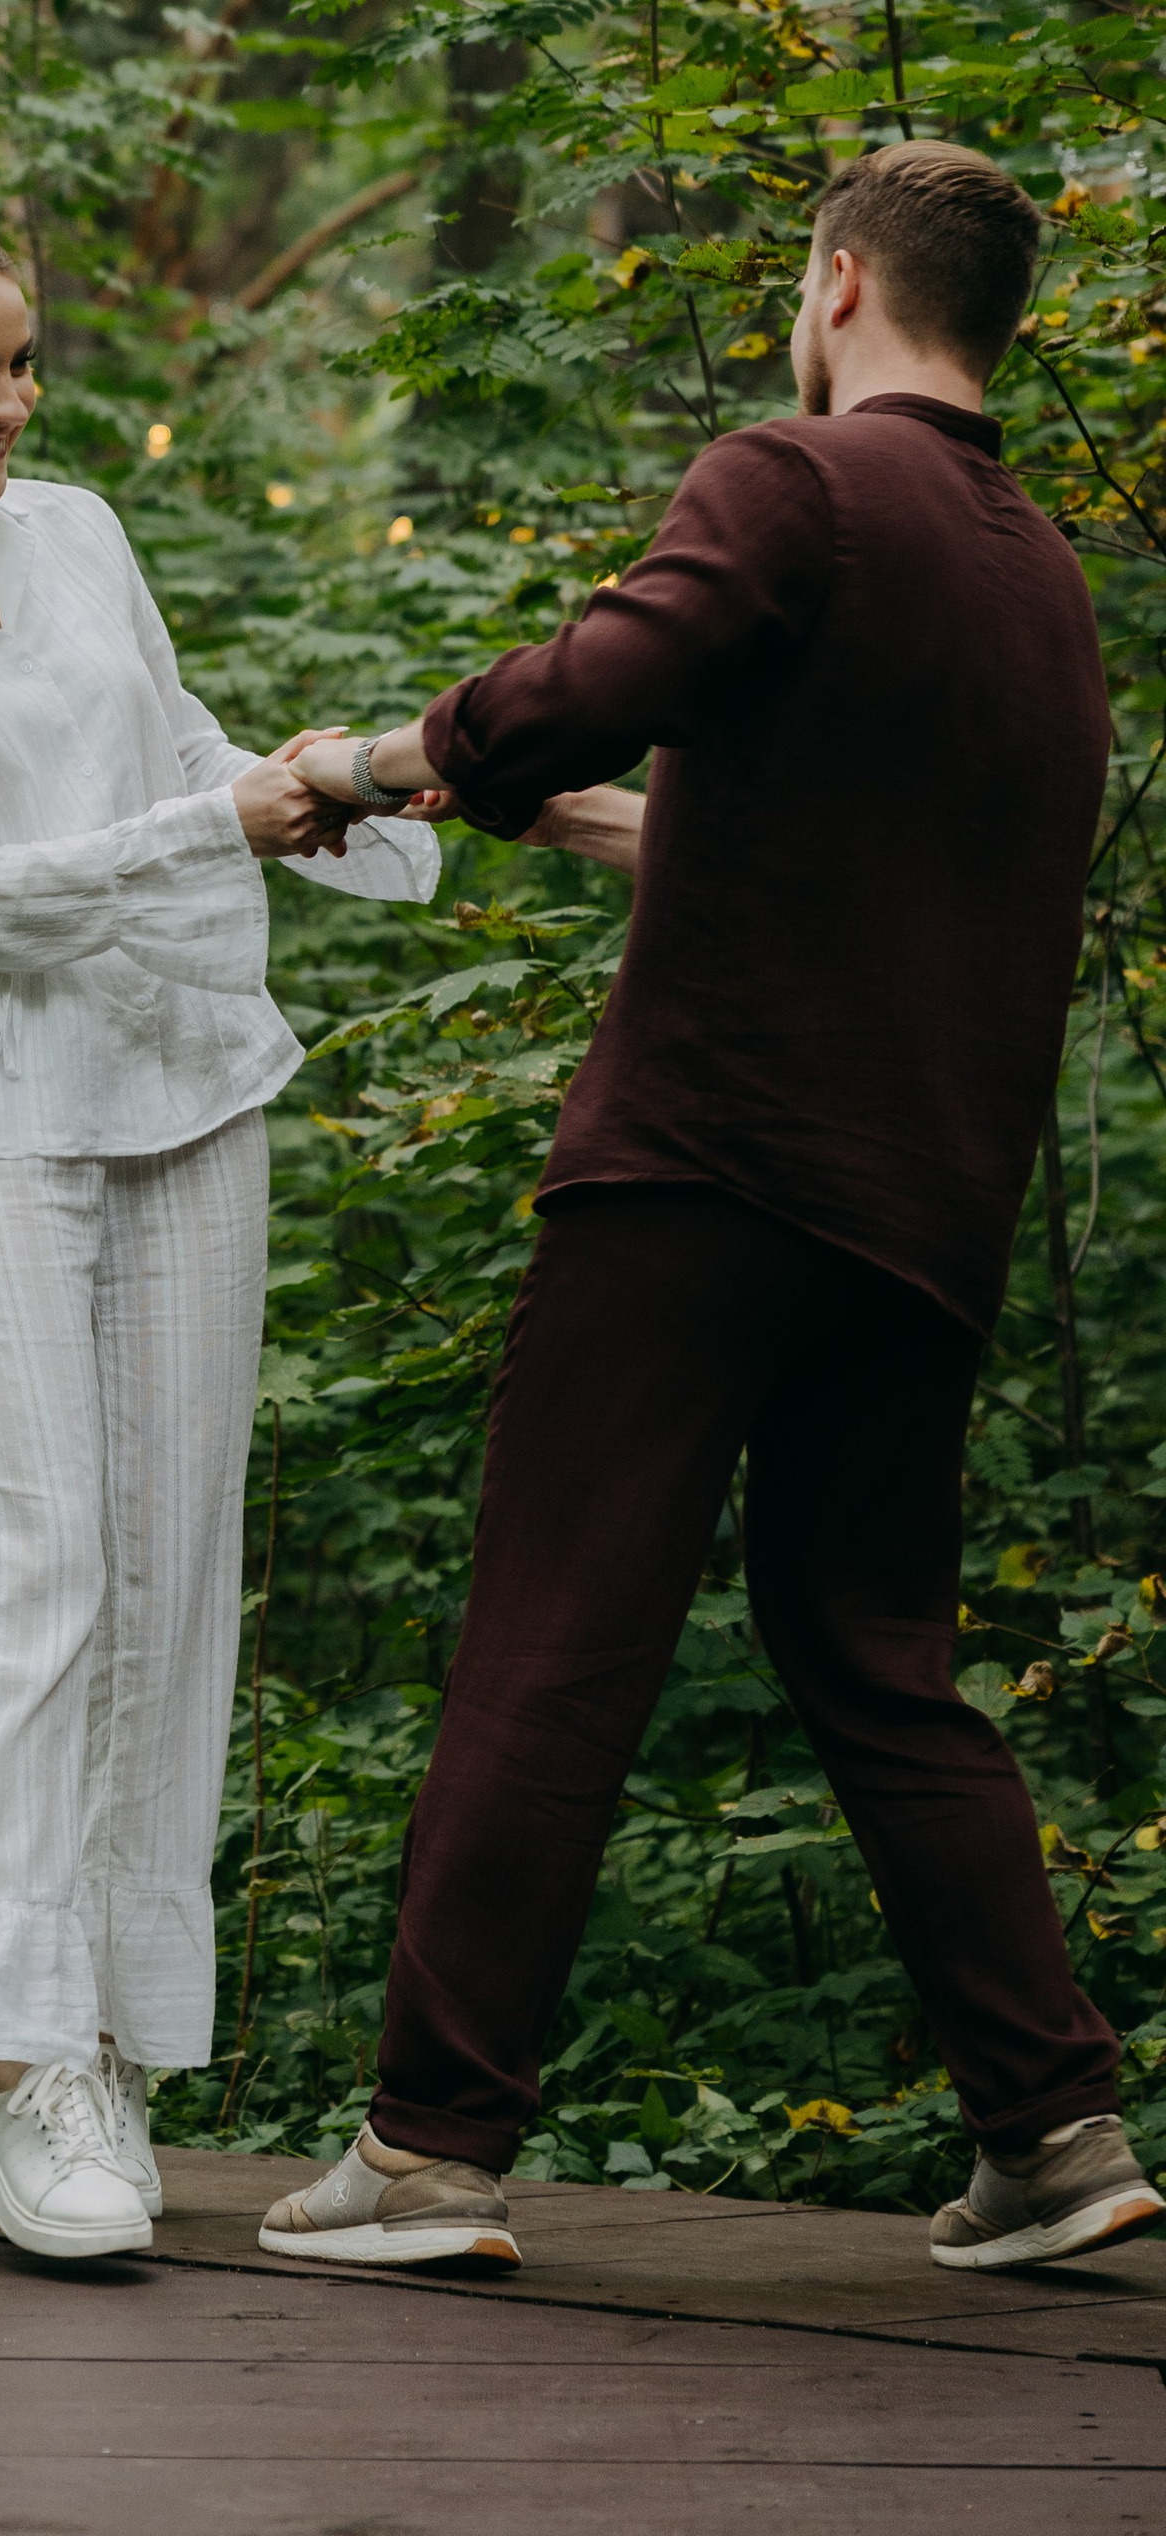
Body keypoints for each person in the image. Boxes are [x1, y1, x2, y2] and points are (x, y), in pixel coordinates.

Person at [256, 139, 1161, 2282]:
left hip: (705, 1165)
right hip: (919, 1203)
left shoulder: (792, 480)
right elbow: (884, 869)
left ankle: (424, 2150)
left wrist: (387, 765)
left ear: (837, 282)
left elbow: (595, 670)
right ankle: (1047, 2131)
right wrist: (589, 833)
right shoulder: (1034, 574)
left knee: (552, 1629)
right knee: (871, 1653)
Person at [0, 203, 441, 2261]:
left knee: (164, 1577)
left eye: (22, 362)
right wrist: (202, 825)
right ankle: (15, 2070)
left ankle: (108, 2040)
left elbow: (167, 762)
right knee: (34, 1573)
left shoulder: (75, 538)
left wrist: (347, 785)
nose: (11, 405)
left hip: (177, 1075)